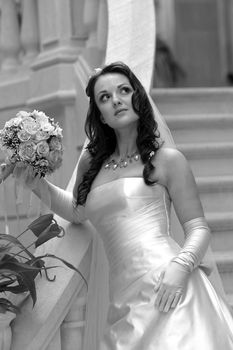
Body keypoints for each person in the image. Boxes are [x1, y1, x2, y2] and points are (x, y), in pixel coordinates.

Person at [1, 62, 233, 349]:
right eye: (105, 97)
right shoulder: (92, 161)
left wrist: (180, 267)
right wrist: (36, 182)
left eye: (124, 90)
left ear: (138, 97)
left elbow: (198, 227)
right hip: (123, 295)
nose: (116, 100)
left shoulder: (168, 160)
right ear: (101, 114)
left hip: (169, 284)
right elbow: (77, 211)